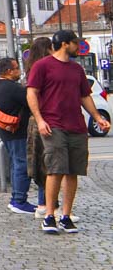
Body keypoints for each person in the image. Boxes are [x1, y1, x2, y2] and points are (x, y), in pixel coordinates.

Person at [27, 30, 107, 234]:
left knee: (73, 170)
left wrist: (98, 117)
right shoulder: (42, 66)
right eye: (75, 43)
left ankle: (66, 215)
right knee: (55, 169)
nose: (78, 47)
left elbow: (85, 96)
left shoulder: (77, 69)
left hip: (77, 126)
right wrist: (40, 119)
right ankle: (49, 215)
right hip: (53, 124)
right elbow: (32, 93)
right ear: (64, 44)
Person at [0, 56, 34, 214]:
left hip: (7, 130)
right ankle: (19, 200)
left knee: (16, 163)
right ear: (9, 71)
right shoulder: (13, 88)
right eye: (17, 68)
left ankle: (16, 199)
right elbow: (30, 101)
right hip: (17, 131)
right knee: (22, 165)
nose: (19, 71)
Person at [23, 37, 56, 218]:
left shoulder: (31, 69)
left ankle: (44, 203)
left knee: (41, 162)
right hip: (45, 119)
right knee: (49, 163)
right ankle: (47, 204)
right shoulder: (46, 68)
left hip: (35, 120)